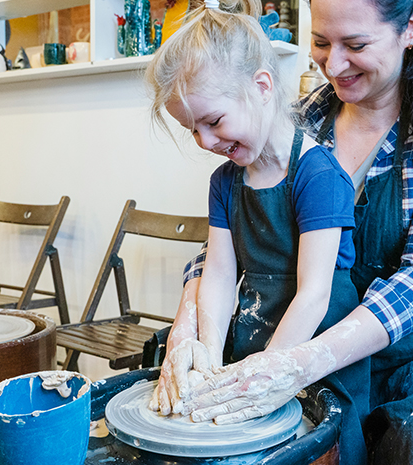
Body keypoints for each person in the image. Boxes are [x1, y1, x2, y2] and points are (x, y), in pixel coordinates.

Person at [147, 0, 413, 463]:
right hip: (314, 333)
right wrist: (185, 335)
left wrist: (294, 365)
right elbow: (225, 247)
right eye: (321, 42)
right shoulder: (302, 120)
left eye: (355, 45)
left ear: (410, 28)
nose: (332, 64)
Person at [143, 0, 370, 463]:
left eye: (213, 121)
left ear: (262, 87)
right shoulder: (224, 183)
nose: (205, 142)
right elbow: (221, 277)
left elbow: (314, 293)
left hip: (315, 354)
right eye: (192, 131)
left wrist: (270, 373)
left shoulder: (317, 174)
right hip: (252, 343)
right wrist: (206, 356)